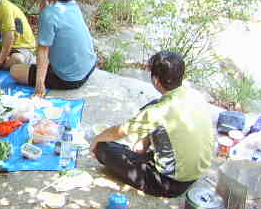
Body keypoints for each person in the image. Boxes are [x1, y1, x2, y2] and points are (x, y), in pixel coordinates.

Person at [90, 51, 214, 197]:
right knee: (155, 105)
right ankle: (143, 145)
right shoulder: (194, 95)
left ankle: (137, 151)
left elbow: (119, 132)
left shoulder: (158, 111)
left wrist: (96, 140)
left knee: (103, 148)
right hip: (195, 173)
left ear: (155, 80)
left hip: (168, 182)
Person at [10, 0, 96, 97]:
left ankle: (45, 79)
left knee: (15, 71)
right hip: (89, 67)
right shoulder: (72, 5)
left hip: (70, 79)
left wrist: (40, 84)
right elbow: (46, 18)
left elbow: (43, 52)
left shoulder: (50, 14)